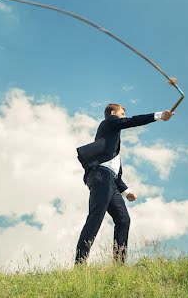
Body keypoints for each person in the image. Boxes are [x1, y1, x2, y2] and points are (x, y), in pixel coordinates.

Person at [74, 103, 174, 265]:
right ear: (113, 113)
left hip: (110, 182)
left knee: (123, 220)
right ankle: (79, 263)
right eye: (122, 113)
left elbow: (115, 175)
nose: (124, 116)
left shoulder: (112, 147)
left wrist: (127, 192)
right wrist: (160, 115)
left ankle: (119, 264)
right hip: (100, 178)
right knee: (95, 219)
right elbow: (132, 121)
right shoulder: (108, 123)